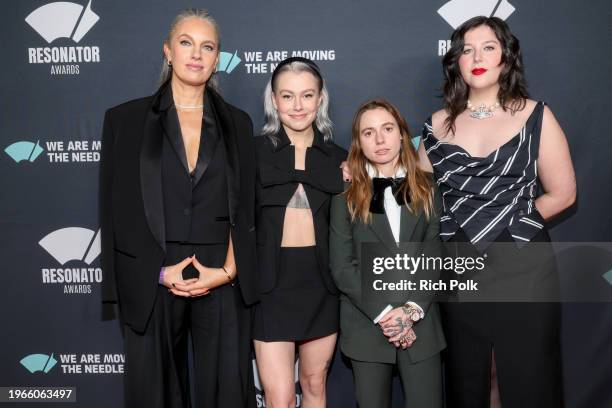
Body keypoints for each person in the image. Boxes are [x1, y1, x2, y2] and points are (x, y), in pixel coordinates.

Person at [99, 9, 257, 408]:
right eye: (186, 43)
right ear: (168, 51)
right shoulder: (125, 120)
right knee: (154, 395)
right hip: (154, 275)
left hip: (220, 275)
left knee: (226, 392)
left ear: (217, 58)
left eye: (208, 47)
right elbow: (114, 211)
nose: (196, 54)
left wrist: (227, 270)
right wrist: (156, 272)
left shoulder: (238, 123)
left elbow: (246, 208)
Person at [417, 16, 576, 407]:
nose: (477, 57)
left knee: (527, 373)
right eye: (467, 49)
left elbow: (563, 194)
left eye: (488, 47)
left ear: (506, 57)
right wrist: (360, 169)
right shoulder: (435, 126)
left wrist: (504, 233)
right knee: (471, 374)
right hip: (460, 269)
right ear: (455, 60)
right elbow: (417, 198)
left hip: (524, 265)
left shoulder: (536, 115)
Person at [330, 99, 446, 408]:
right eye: (369, 132)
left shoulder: (428, 190)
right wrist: (388, 317)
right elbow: (343, 267)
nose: (380, 140)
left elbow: (433, 254)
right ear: (358, 143)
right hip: (367, 325)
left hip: (421, 324)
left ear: (402, 135)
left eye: (387, 129)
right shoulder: (344, 199)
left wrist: (409, 311)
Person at [252, 57, 346, 408]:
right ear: (273, 100)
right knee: (278, 397)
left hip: (321, 285)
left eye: (307, 95)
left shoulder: (340, 158)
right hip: (270, 286)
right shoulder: (252, 152)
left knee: (314, 383)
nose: (297, 106)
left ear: (320, 99)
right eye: (287, 96)